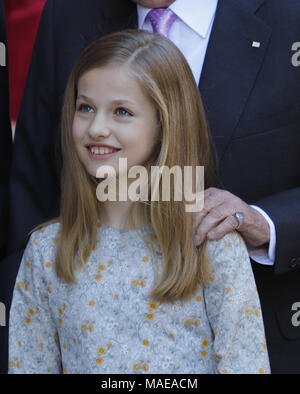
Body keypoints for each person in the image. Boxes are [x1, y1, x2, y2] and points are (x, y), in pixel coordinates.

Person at [2, 0, 300, 373]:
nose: (97, 129)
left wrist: (263, 224)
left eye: (122, 112)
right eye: (85, 108)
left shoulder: (218, 252)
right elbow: (32, 181)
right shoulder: (46, 252)